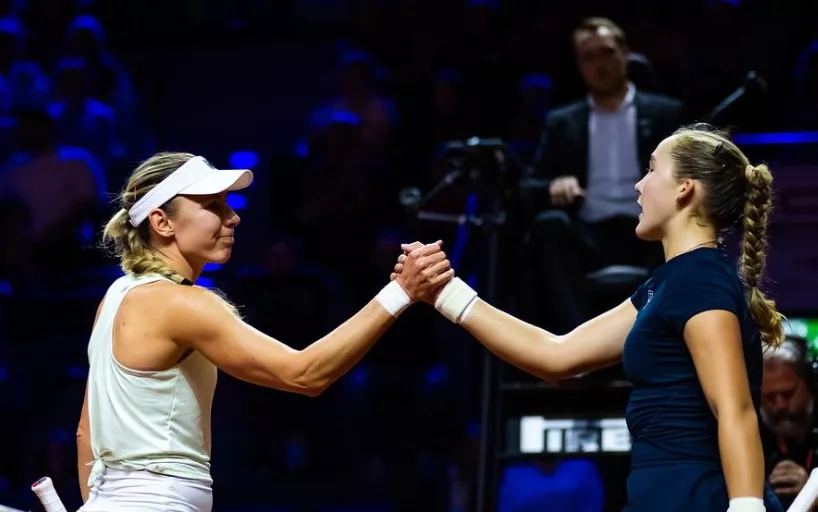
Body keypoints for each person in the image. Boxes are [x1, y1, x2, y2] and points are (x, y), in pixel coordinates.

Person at [394, 124, 786, 511]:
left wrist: (746, 506)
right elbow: (556, 354)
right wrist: (446, 292)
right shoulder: (667, 284)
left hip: (701, 499)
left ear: (685, 188)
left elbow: (735, 410)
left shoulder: (700, 280)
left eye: (652, 169)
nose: (638, 186)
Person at [75, 152, 454, 512]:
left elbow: (85, 434)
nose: (233, 217)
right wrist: (401, 292)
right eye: (213, 206)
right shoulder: (183, 303)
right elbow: (305, 374)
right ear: (162, 222)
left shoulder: (114, 297)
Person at [526, 17, 684, 330]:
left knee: (682, 222)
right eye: (589, 57)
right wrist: (553, 186)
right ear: (579, 66)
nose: (600, 64)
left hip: (648, 229)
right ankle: (577, 343)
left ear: (625, 54)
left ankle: (661, 337)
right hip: (589, 233)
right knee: (549, 226)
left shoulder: (665, 113)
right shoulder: (563, 122)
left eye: (607, 53)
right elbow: (530, 185)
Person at [759, 335, 818, 510]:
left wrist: (811, 493)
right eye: (769, 397)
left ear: (811, 385)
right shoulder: (750, 434)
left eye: (788, 394)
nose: (779, 405)